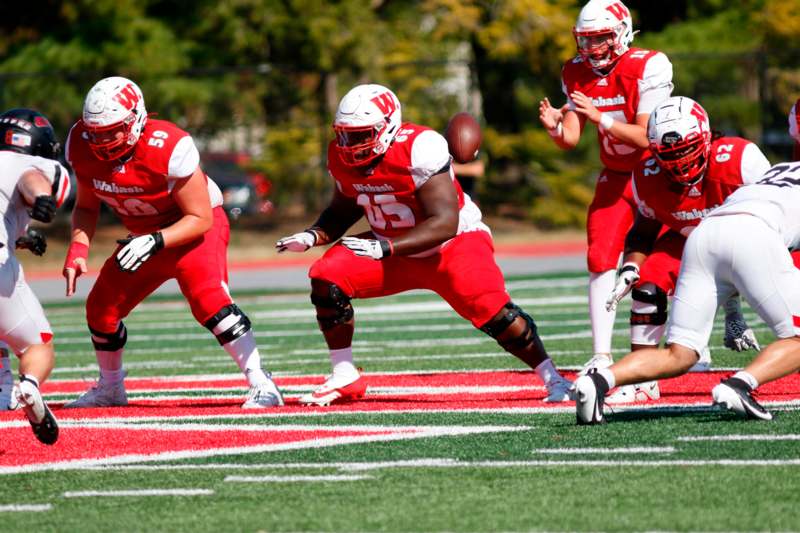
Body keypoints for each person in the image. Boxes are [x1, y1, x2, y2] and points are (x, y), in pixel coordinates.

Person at [276, 83, 573, 406]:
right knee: (326, 276)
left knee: (496, 314)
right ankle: (345, 374)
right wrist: (312, 235)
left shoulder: (419, 147)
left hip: (452, 246)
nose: (352, 144)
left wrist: (385, 248)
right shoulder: (340, 155)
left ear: (388, 126)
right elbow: (344, 208)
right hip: (392, 249)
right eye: (346, 134)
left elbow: (444, 222)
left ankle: (553, 378)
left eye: (362, 134)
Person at [63, 76, 282, 409]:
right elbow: (86, 206)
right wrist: (78, 250)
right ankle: (110, 389)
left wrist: (155, 240)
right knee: (100, 308)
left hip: (193, 231)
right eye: (97, 132)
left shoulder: (167, 145)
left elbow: (200, 217)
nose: (103, 140)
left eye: (112, 131)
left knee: (209, 300)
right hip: (144, 239)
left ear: (136, 120)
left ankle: (263, 383)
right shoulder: (81, 144)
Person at [576, 161, 800, 424]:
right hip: (754, 231)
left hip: (703, 234)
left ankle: (597, 382)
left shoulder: (782, 167)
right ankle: (740, 384)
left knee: (680, 354)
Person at [602, 96, 769, 403]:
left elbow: (776, 217)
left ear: (705, 138)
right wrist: (629, 268)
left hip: (755, 237)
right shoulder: (648, 177)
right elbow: (642, 232)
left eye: (686, 151)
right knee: (647, 285)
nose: (679, 163)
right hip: (690, 242)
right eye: (670, 155)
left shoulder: (739, 160)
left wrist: (734, 308)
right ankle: (643, 382)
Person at [539, 0, 673, 374]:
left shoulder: (647, 65)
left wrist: (602, 119)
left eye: (601, 38)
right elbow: (571, 137)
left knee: (665, 262)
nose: (593, 47)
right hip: (615, 176)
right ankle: (601, 354)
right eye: (586, 39)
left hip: (655, 172)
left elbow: (648, 137)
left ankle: (686, 342)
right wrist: (554, 127)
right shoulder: (575, 71)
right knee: (600, 258)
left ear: (622, 33)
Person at [0, 108, 70, 444]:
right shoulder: (29, 163)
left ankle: (3, 393)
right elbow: (30, 177)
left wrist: (24, 238)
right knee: (36, 344)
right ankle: (28, 387)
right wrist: (42, 197)